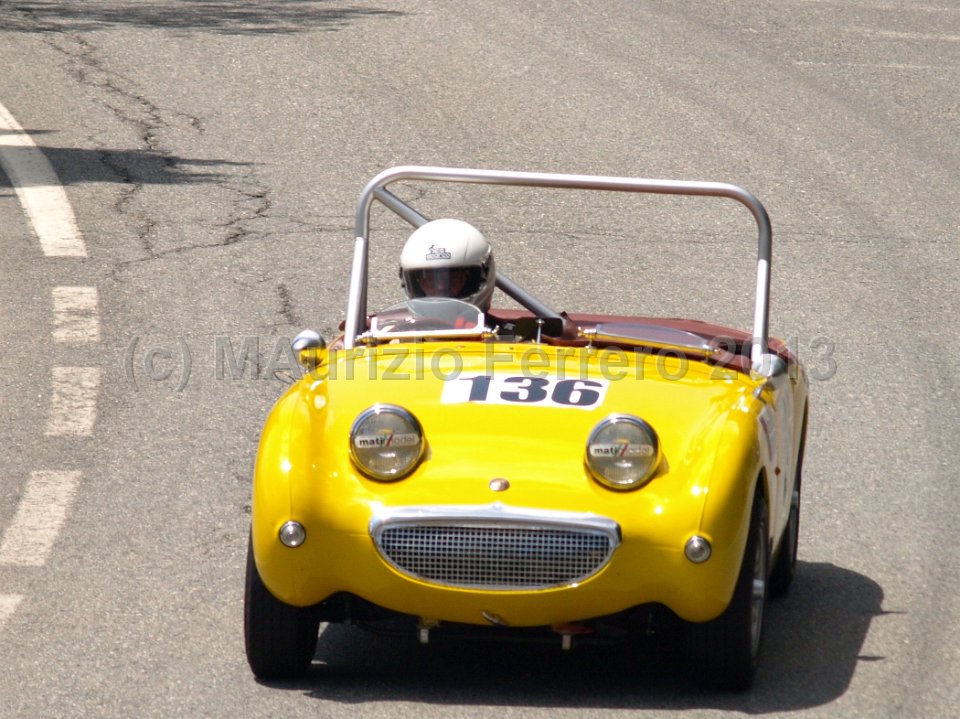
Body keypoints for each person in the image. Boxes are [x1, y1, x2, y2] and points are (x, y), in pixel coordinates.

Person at [399, 219, 496, 312]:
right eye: (430, 280)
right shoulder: (394, 328)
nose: (441, 287)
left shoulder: (502, 329)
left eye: (452, 279)